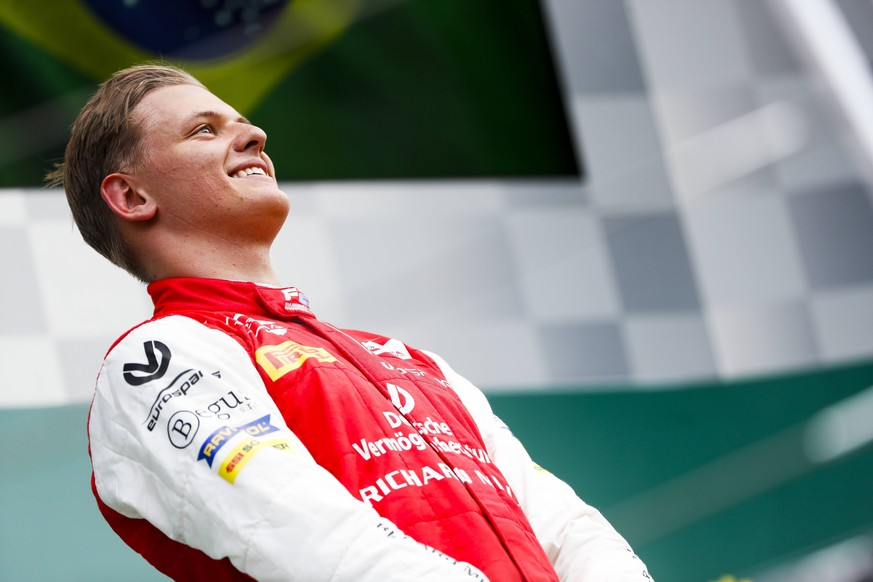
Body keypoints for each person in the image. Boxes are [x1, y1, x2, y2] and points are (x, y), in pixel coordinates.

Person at [47, 63, 652, 581]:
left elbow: (564, 525)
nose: (254, 135)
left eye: (243, 122)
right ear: (130, 197)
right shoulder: (159, 359)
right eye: (204, 131)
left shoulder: (409, 360)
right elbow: (320, 546)